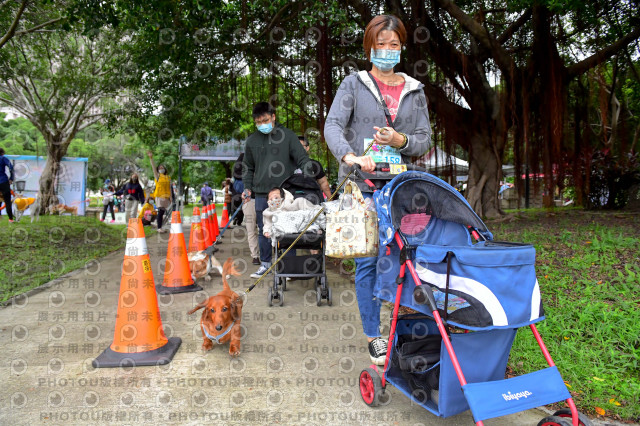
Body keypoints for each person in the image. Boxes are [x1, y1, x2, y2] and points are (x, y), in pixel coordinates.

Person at [325, 15, 432, 365]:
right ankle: (374, 334)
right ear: (369, 46)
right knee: (369, 262)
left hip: (403, 188)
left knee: (410, 258)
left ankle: (412, 329)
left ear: (402, 47)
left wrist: (401, 140)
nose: (387, 51)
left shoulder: (414, 90)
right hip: (363, 188)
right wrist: (351, 155)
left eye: (394, 45)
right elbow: (333, 126)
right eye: (381, 44)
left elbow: (424, 139)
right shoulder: (354, 84)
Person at [242, 101, 312, 278]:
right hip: (261, 193)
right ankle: (265, 264)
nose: (262, 125)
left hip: (285, 192)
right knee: (264, 228)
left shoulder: (287, 136)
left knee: (288, 229)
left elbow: (302, 158)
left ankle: (288, 266)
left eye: (265, 120)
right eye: (258, 122)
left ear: (273, 117)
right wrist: (247, 187)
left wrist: (307, 174)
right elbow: (248, 167)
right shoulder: (252, 141)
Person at [147, 151, 173, 233]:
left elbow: (169, 188)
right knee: (161, 211)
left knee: (163, 212)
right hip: (159, 196)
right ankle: (159, 227)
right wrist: (151, 158)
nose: (161, 169)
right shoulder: (157, 176)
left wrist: (171, 197)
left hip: (166, 197)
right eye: (160, 168)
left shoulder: (168, 177)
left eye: (162, 168)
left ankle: (160, 226)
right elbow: (153, 168)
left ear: (165, 169)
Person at [0, 147, 15, 223]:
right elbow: (11, 168)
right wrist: (11, 178)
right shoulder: (3, 158)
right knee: (7, 200)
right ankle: (10, 219)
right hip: (3, 181)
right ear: (2, 152)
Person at [231, 154, 245, 226]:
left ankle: (236, 218)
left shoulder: (236, 167)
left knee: (237, 205)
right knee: (243, 205)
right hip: (244, 188)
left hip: (237, 190)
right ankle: (239, 219)